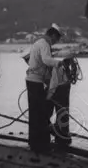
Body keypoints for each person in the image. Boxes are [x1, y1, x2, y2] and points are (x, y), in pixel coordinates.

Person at [26, 24, 67, 153]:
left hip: (33, 80)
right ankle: (40, 144)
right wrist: (59, 63)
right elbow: (46, 59)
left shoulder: (39, 42)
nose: (56, 42)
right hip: (36, 82)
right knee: (39, 114)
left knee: (36, 113)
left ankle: (35, 142)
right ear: (53, 36)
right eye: (57, 39)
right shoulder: (44, 44)